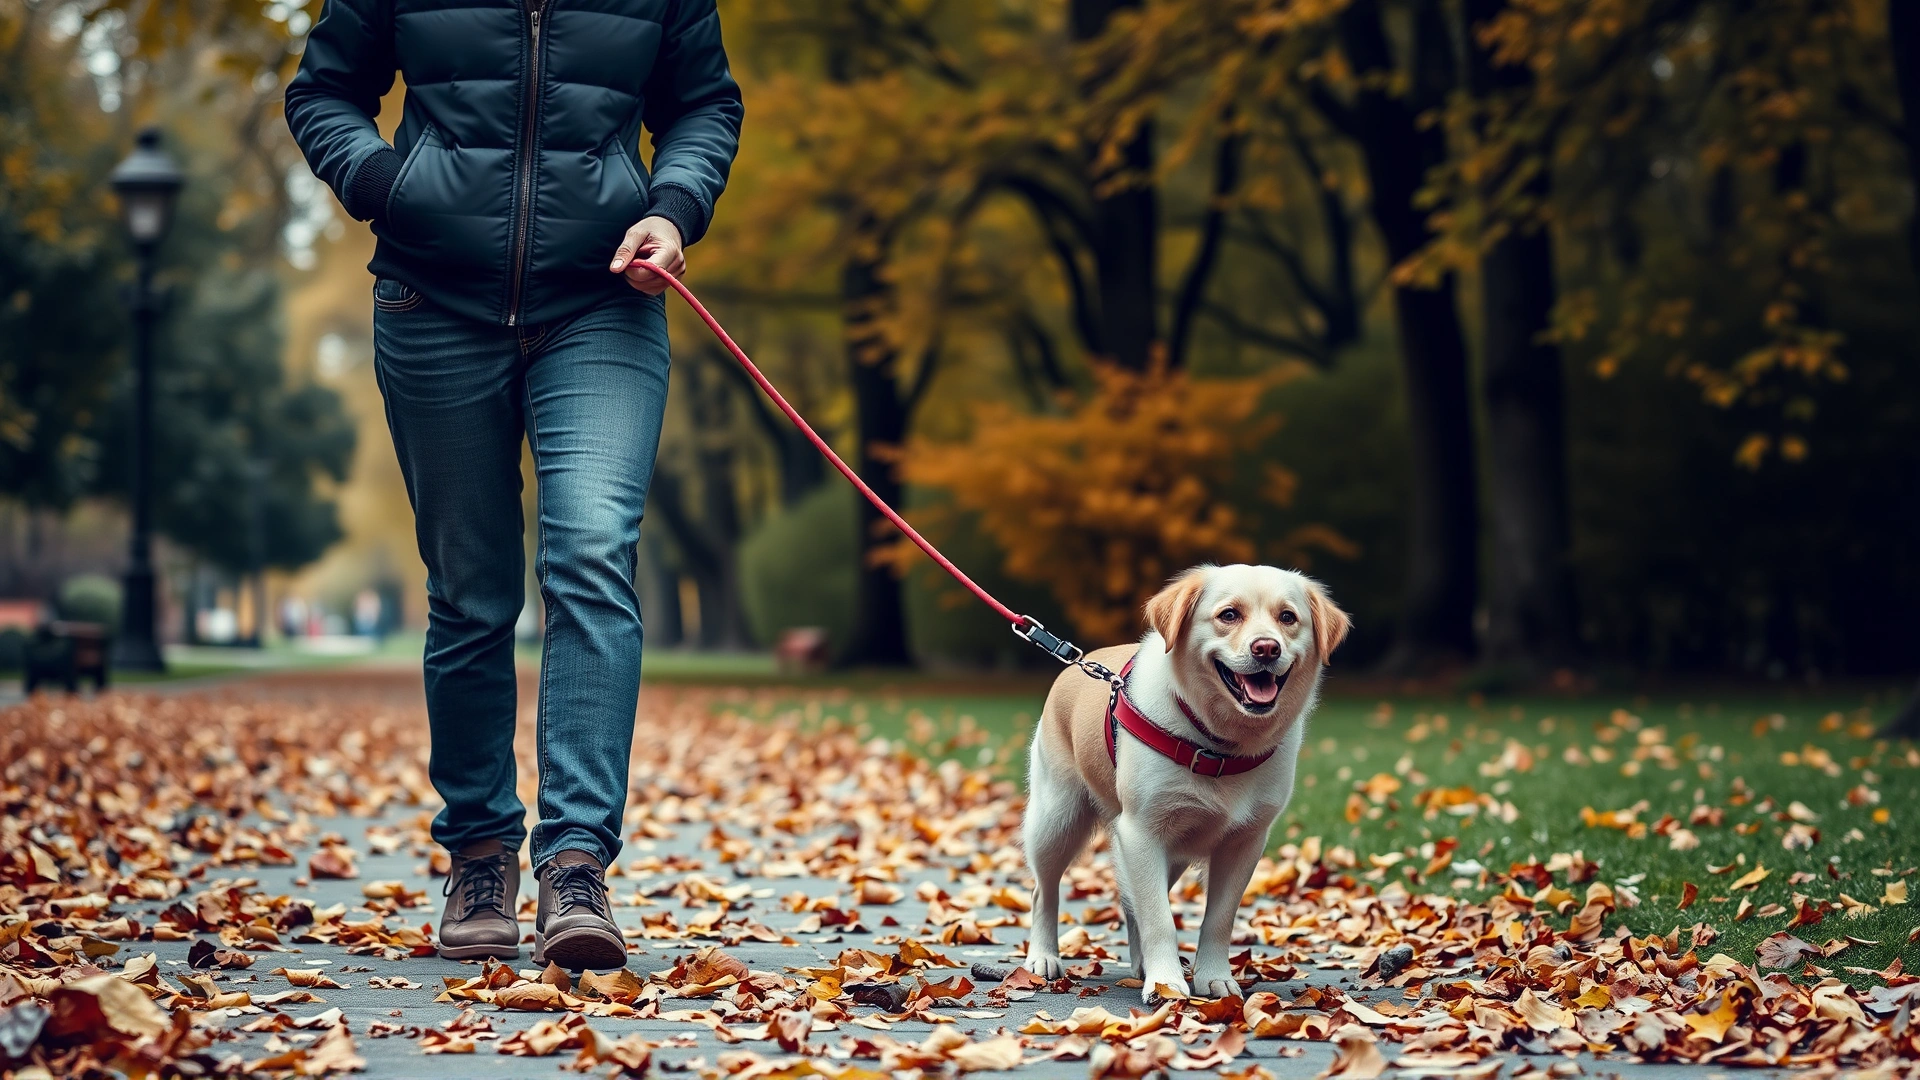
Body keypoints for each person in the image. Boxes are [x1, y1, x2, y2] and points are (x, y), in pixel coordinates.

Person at [285, 0, 742, 971]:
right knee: (472, 590)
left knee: (589, 554)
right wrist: (386, 184)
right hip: (432, 301)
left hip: (603, 302)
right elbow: (324, 89)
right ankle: (480, 855)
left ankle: (576, 864)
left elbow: (703, 102)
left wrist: (672, 207)